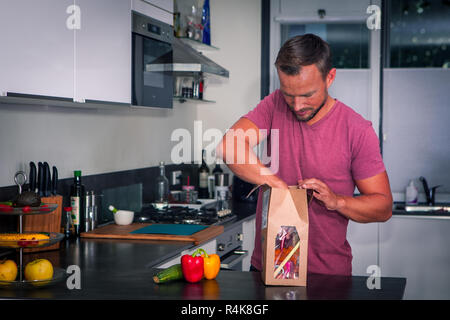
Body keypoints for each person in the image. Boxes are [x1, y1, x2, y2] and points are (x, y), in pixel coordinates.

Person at [217, 34, 392, 276]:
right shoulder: (275, 104)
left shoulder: (357, 129)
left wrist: (337, 200)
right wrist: (276, 183)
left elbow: (383, 207)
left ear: (330, 77)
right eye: (289, 94)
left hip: (327, 277)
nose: (297, 105)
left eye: (308, 94)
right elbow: (230, 146)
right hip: (267, 270)